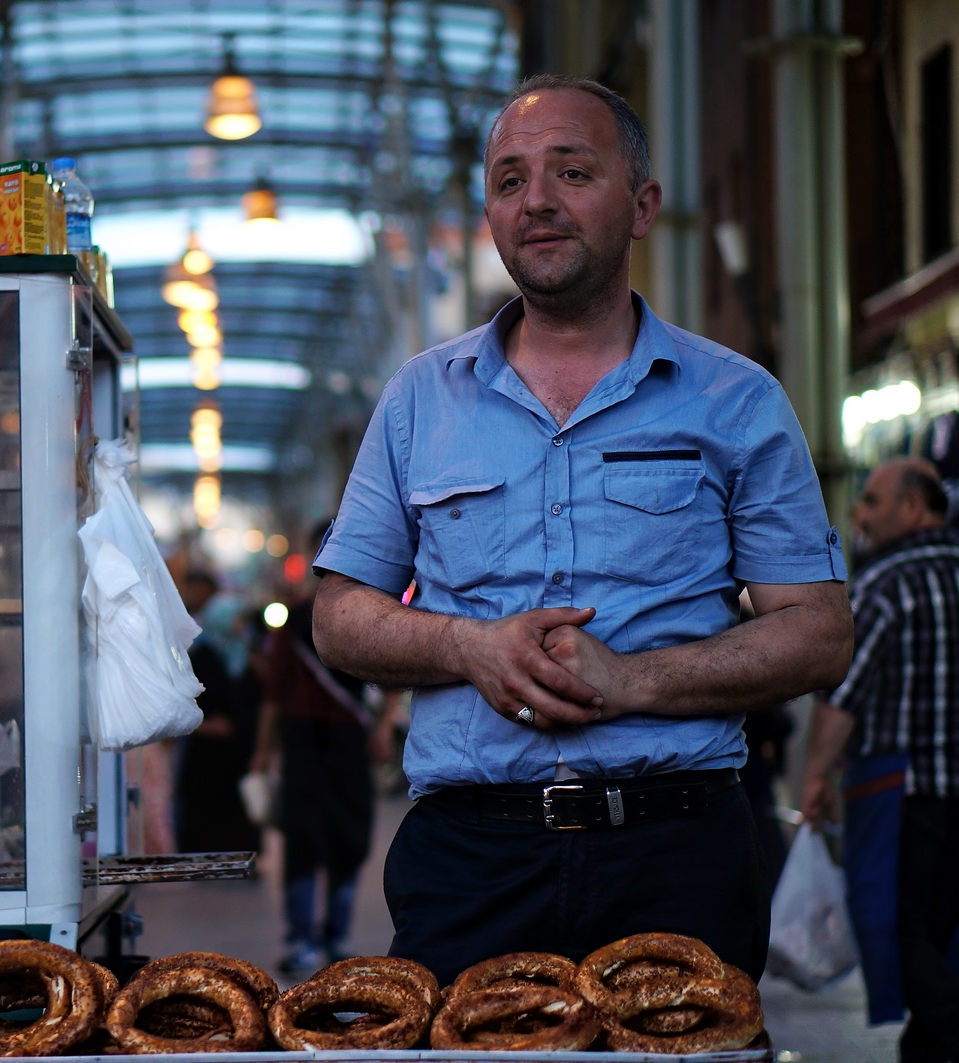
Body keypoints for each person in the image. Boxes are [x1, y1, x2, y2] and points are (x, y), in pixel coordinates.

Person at [309, 73, 852, 982]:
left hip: (678, 852)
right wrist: (469, 646)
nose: (538, 203)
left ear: (642, 206)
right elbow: (338, 614)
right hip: (472, 860)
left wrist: (632, 680)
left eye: (572, 172)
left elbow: (820, 631)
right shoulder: (417, 400)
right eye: (510, 180)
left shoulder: (738, 400)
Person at [802, 458, 959, 1057]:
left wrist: (816, 776)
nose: (860, 515)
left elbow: (844, 695)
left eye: (871, 501)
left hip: (902, 797)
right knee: (946, 931)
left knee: (900, 926)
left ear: (914, 508)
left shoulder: (883, 584)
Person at [256, 524, 381, 975]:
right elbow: (276, 688)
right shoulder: (295, 619)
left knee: (348, 836)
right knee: (305, 839)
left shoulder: (371, 615)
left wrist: (383, 726)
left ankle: (331, 937)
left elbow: (389, 679)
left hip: (344, 739)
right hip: (305, 737)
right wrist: (262, 753)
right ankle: (305, 939)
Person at [174, 570, 260, 854]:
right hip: (208, 754)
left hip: (237, 753)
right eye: (236, 618)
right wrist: (208, 724)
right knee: (207, 814)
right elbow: (185, 700)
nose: (240, 625)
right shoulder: (203, 656)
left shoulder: (243, 654)